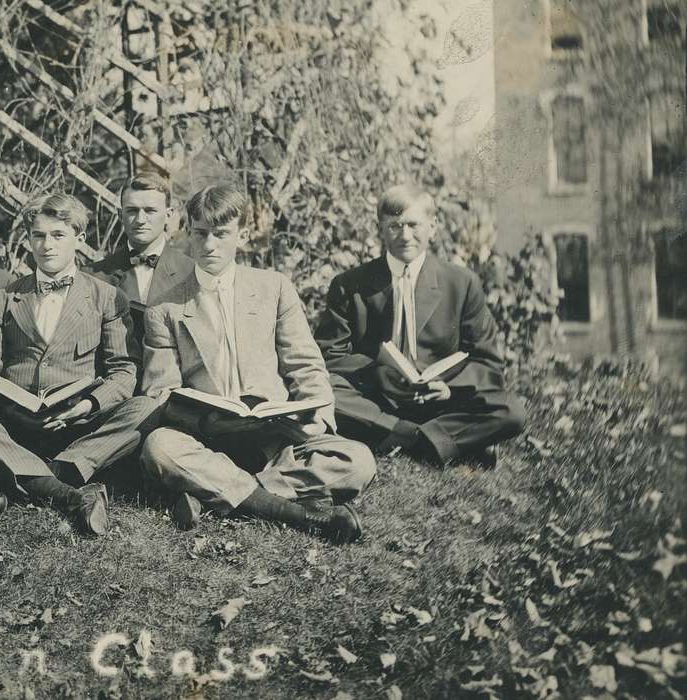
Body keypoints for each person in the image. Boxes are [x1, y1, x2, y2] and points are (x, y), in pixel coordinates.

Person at [138, 184, 376, 542]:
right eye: (200, 234)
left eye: (221, 234)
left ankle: (215, 493)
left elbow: (306, 365)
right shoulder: (165, 309)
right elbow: (160, 390)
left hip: (275, 436)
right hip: (209, 437)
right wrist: (203, 417)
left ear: (244, 235)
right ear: (188, 233)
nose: (209, 245)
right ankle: (299, 513)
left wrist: (318, 420)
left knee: (358, 460)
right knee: (159, 447)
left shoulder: (274, 287)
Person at [0, 194, 159, 536]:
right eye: (38, 236)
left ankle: (29, 478)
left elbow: (123, 372)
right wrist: (8, 407)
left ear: (79, 239)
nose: (47, 245)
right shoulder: (3, 299)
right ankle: (69, 494)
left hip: (78, 425)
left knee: (144, 408)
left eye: (58, 235)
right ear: (28, 239)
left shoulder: (106, 297)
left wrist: (88, 405)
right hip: (15, 424)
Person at [313, 184, 525, 468]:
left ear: (433, 227)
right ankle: (434, 441)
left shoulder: (461, 283)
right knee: (321, 391)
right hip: (376, 400)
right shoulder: (349, 285)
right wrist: (377, 373)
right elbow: (328, 358)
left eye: (414, 225)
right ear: (381, 229)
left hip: (441, 400)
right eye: (394, 226)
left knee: (510, 410)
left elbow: (487, 361)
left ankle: (399, 437)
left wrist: (449, 387)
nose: (405, 236)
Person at [87, 172, 195, 307]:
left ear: (168, 215)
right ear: (121, 216)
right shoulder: (93, 277)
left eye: (150, 211)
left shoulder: (192, 273)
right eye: (132, 210)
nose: (140, 220)